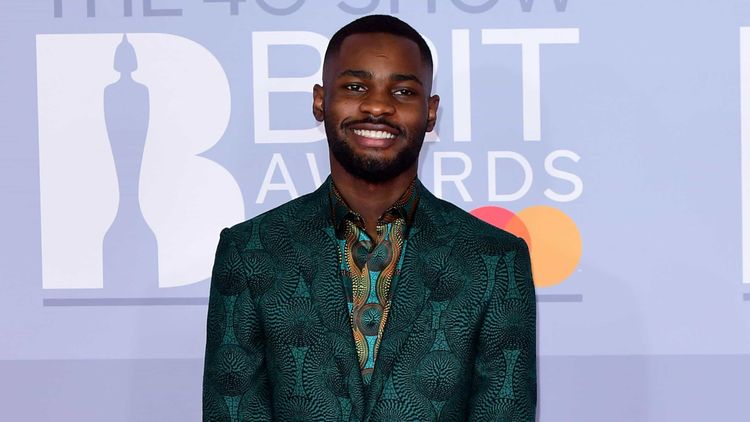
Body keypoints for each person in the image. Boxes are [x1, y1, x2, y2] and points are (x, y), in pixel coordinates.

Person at [203, 14, 536, 422]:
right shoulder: (250, 251)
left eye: (403, 91)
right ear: (320, 101)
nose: (378, 106)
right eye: (356, 86)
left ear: (431, 112)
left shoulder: (496, 259)